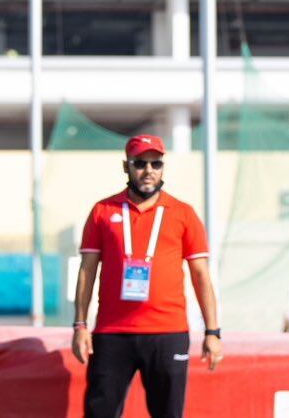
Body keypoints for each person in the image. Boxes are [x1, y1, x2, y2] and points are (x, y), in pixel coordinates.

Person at [72, 134, 222, 418]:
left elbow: (201, 276)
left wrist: (213, 332)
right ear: (126, 166)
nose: (148, 171)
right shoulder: (103, 211)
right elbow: (86, 271)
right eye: (140, 163)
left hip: (168, 333)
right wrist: (80, 325)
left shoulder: (183, 213)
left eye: (156, 163)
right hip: (112, 333)